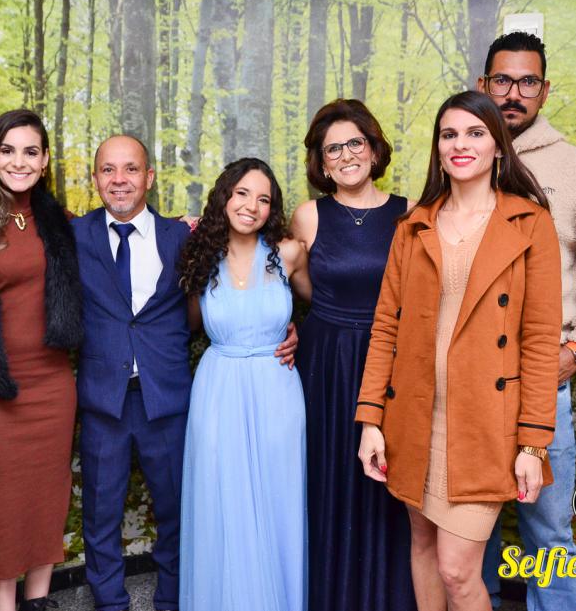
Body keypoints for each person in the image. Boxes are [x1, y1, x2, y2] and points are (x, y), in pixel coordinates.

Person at [356, 90, 561, 611]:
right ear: (438, 147)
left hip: (486, 425)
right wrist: (371, 419)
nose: (460, 144)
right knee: (423, 547)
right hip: (414, 419)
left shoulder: (530, 222)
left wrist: (533, 445)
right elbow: (386, 329)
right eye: (449, 134)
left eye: (475, 133)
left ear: (498, 146)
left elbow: (540, 340)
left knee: (457, 570)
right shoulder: (414, 225)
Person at [73, 139, 298, 611]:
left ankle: (172, 601)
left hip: (167, 396)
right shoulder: (74, 236)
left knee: (179, 510)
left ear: (149, 177)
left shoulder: (183, 239)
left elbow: (239, 297)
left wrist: (289, 328)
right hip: (103, 397)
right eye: (108, 170)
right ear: (95, 178)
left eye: (131, 169)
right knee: (100, 512)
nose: (119, 179)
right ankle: (110, 604)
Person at [291, 98, 416, 611]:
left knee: (388, 483)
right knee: (330, 480)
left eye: (355, 143)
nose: (346, 155)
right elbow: (300, 287)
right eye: (333, 149)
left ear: (374, 149)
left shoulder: (410, 212)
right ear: (321, 163)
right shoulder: (308, 216)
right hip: (325, 364)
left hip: (391, 361)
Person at [0, 110, 83, 611]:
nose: (19, 161)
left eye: (31, 151)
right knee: (4, 506)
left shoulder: (58, 220)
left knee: (48, 497)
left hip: (53, 385)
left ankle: (39, 601)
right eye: (8, 150)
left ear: (45, 160)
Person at [178, 157, 311, 611]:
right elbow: (189, 323)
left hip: (277, 388)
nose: (251, 206)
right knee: (221, 502)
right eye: (242, 194)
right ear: (224, 197)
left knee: (277, 502)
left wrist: (298, 331)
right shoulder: (200, 256)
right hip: (218, 388)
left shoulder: (289, 253)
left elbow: (324, 308)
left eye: (263, 199)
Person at [477, 31, 576, 610]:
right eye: (503, 80)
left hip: (544, 381)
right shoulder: (461, 155)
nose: (514, 93)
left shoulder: (569, 165)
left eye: (528, 82)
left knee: (549, 532)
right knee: (470, 526)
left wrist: (574, 351)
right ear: (483, 83)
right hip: (471, 381)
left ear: (545, 89)